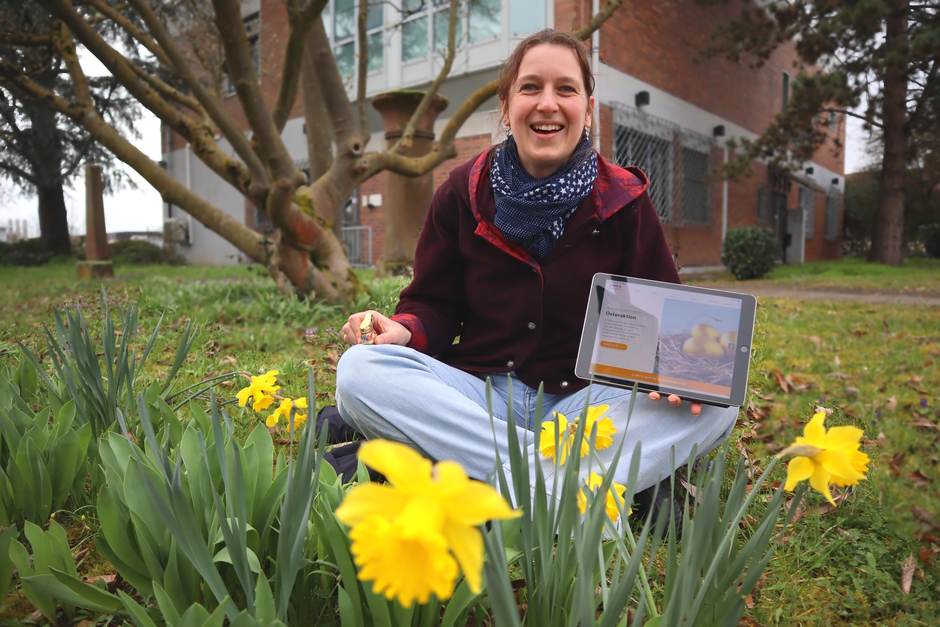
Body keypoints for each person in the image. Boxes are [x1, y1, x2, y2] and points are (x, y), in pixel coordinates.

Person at [335, 29, 738, 522]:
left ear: (587, 109)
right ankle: (569, 490)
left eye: (565, 89)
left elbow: (663, 320)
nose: (547, 104)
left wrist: (678, 372)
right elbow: (434, 305)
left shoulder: (625, 200)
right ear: (506, 106)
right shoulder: (461, 193)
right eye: (530, 88)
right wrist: (405, 328)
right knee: (359, 373)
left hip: (585, 410)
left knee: (719, 403)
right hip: (483, 400)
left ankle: (491, 481)